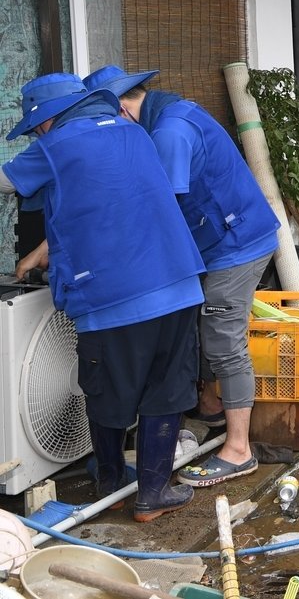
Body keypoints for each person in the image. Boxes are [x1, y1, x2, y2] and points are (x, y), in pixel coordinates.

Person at [3, 73, 206, 522]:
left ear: (48, 118)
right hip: (178, 284)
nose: (36, 134)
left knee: (106, 391)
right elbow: (108, 204)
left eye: (36, 126)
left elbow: (5, 181)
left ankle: (110, 485)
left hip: (114, 297)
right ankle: (152, 494)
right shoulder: (135, 133)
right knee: (166, 387)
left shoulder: (55, 145)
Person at [83, 66, 281, 488]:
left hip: (237, 244)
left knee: (223, 338)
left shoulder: (170, 132)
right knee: (200, 326)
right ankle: (210, 406)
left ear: (121, 109)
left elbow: (161, 208)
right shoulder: (167, 114)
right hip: (217, 239)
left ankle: (239, 450)